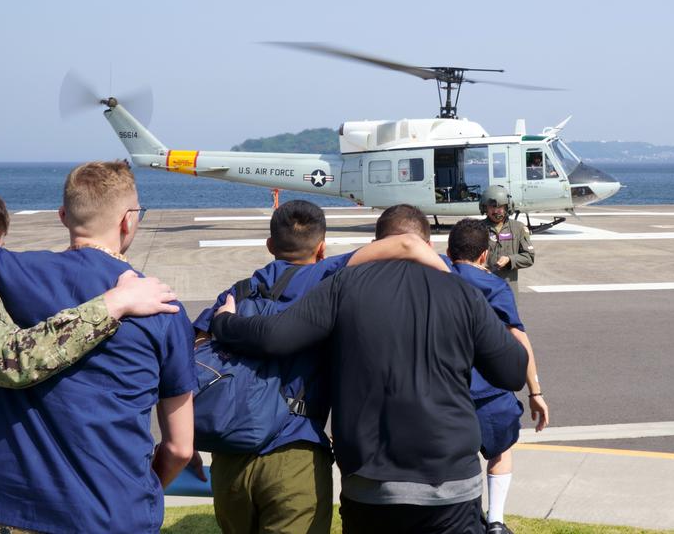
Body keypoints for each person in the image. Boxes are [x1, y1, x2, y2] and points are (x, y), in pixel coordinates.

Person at [0, 162, 198, 533]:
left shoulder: (6, 274)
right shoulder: (162, 307)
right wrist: (140, 495)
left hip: (14, 513)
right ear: (128, 220)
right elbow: (179, 448)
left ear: (63, 216)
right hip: (116, 512)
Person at [211, 204, 529, 534]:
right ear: (429, 245)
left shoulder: (343, 286)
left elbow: (274, 336)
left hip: (371, 484)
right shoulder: (463, 292)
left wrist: (225, 322)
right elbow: (512, 371)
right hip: (451, 484)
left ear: (378, 242)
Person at [194, 200, 448, 534]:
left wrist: (186, 444)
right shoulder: (326, 277)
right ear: (322, 247)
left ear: (270, 245)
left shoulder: (235, 294)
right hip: (294, 453)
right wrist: (459, 289)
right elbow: (405, 244)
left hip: (228, 459)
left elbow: (191, 367)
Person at [447, 219, 550, 534]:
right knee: (501, 452)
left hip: (446, 389)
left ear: (449, 251)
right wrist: (535, 392)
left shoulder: (436, 279)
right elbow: (519, 340)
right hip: (489, 390)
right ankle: (495, 521)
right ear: (483, 255)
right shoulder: (495, 287)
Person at [481, 186, 534, 293]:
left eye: (500, 206)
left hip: (508, 289)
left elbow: (529, 257)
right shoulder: (477, 228)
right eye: (491, 207)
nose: (496, 211)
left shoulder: (518, 228)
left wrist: (510, 259)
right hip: (484, 287)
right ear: (485, 208)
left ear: (507, 207)